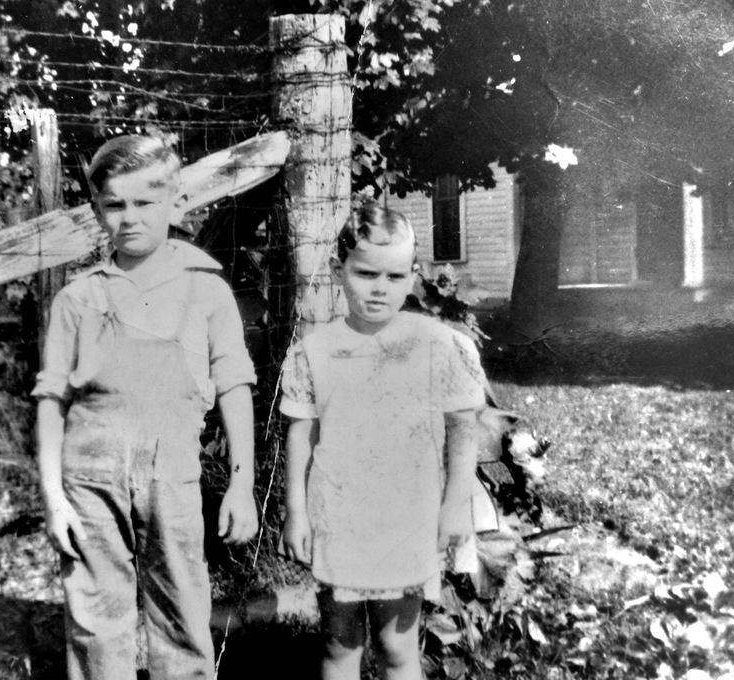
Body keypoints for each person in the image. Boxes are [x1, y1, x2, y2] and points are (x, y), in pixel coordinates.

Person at [33, 134, 259, 680]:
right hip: (90, 474)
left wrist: (241, 483)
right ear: (97, 210)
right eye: (114, 205)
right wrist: (53, 496)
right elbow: (51, 398)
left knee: (182, 607)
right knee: (96, 617)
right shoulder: (77, 299)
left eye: (145, 203)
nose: (129, 218)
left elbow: (234, 384)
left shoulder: (206, 290)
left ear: (175, 201)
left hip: (171, 472)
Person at [279, 202, 487, 680]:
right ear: (338, 270)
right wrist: (296, 510)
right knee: (338, 645)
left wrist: (456, 506)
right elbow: (300, 434)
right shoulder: (316, 351)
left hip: (407, 517)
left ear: (414, 275)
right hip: (339, 517)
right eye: (366, 273)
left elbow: (463, 429)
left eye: (394, 277)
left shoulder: (435, 343)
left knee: (397, 647)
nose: (379, 288)